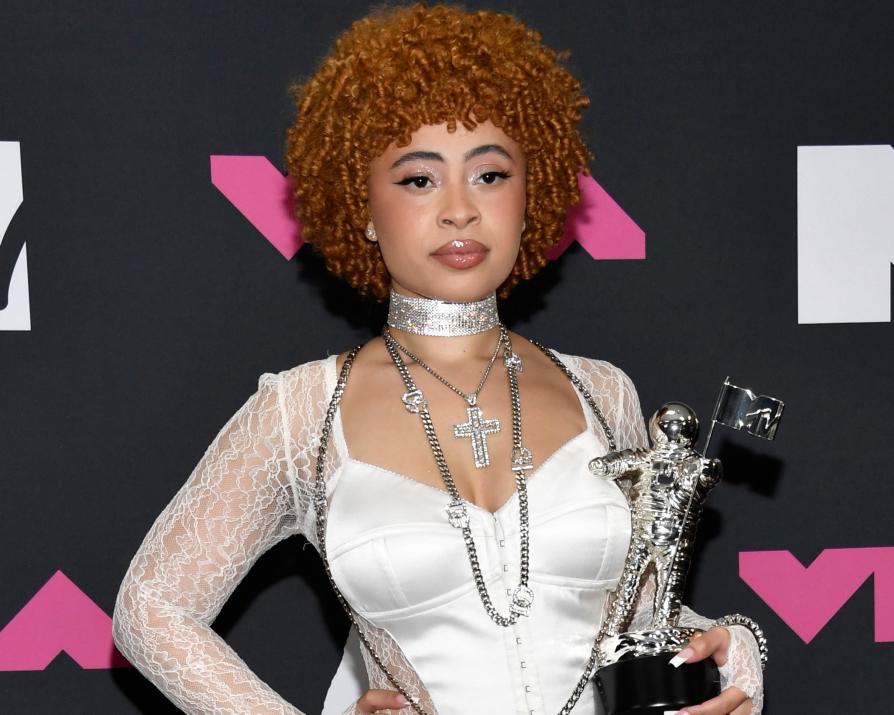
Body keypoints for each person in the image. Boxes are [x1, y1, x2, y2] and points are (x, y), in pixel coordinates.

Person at [112, 4, 764, 714]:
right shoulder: (303, 411)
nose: (460, 209)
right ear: (361, 203)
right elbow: (151, 609)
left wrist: (733, 645)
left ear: (531, 192)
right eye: (419, 179)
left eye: (489, 174)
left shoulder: (603, 392)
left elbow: (634, 618)